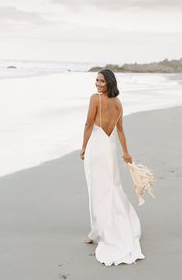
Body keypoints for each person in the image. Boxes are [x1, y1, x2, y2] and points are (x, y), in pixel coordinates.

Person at [79, 68, 145, 266]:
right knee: (112, 186)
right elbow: (121, 130)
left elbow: (88, 125)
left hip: (96, 148)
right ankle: (112, 225)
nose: (97, 84)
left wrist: (83, 148)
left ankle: (96, 232)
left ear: (109, 82)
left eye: (101, 81)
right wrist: (126, 152)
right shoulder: (118, 103)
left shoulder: (95, 99)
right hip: (110, 148)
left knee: (96, 189)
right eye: (96, 80)